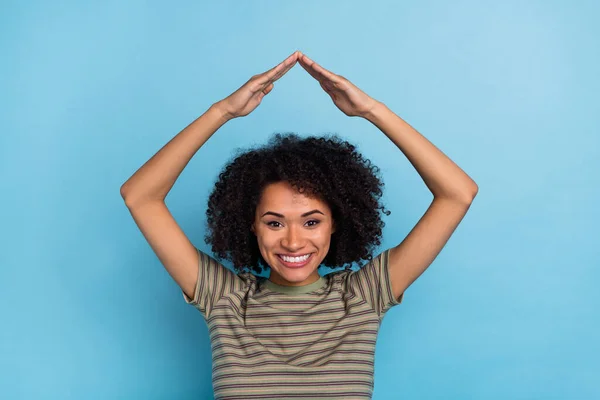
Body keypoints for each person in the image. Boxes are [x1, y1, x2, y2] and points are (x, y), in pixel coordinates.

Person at [120, 50, 478, 399]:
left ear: (335, 223)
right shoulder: (225, 299)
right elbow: (140, 196)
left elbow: (458, 193)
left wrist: (371, 110)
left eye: (311, 221)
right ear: (251, 225)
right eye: (275, 223)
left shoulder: (363, 297)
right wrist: (223, 111)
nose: (293, 242)